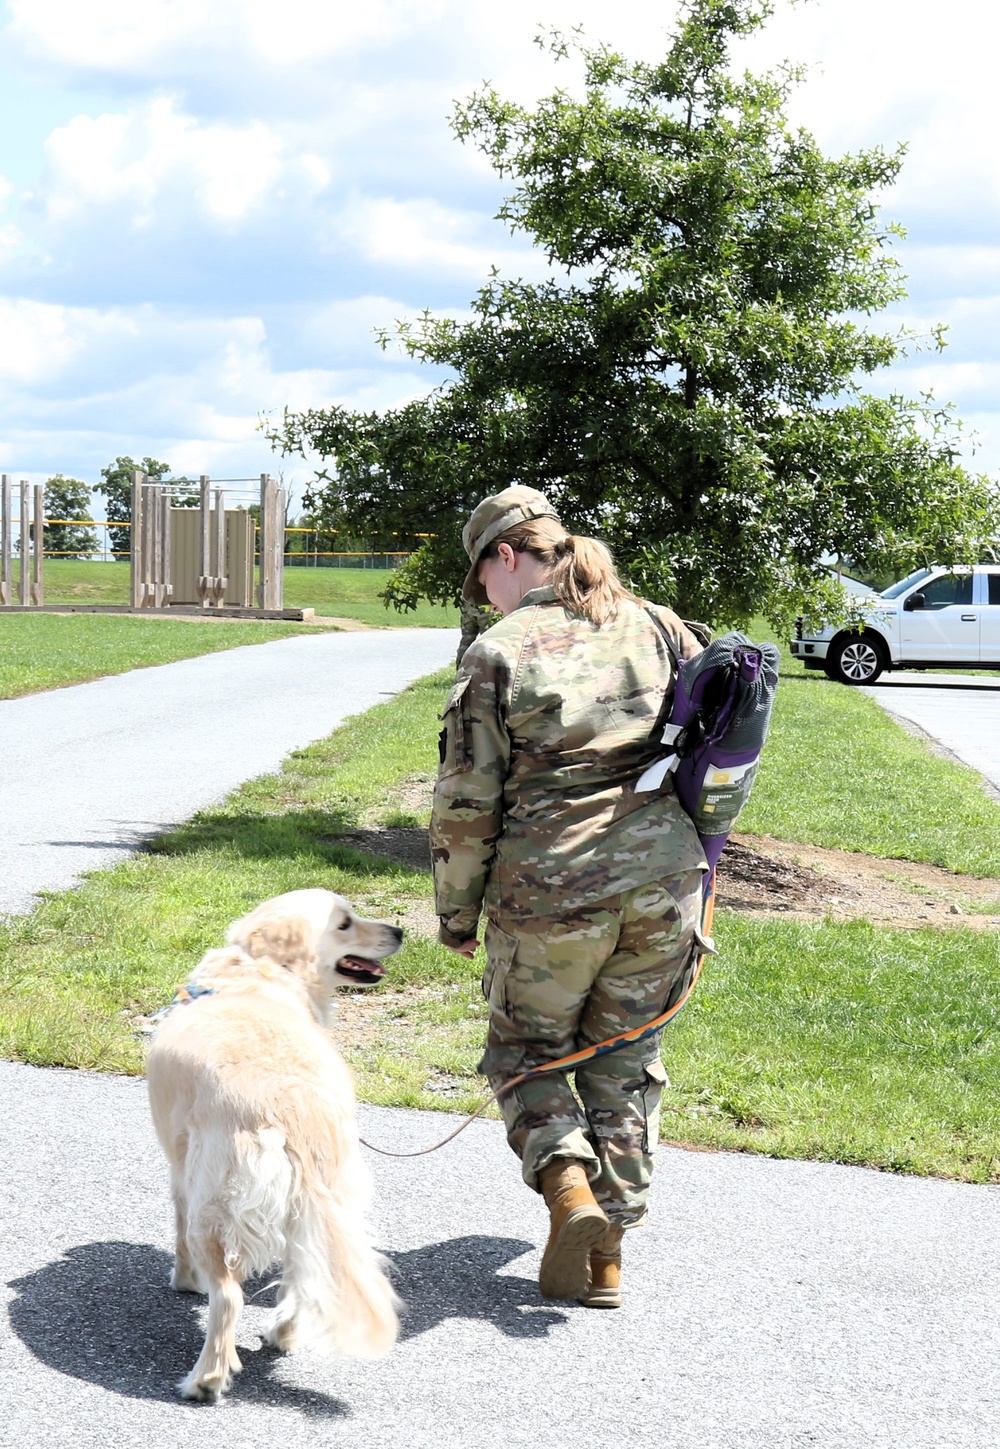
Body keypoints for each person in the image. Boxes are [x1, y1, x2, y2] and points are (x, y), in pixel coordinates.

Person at [430, 485, 708, 1308]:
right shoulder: (660, 624)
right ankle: (606, 1262)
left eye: (482, 579)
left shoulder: (499, 650)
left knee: (525, 1053)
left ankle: (570, 1192)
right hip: (666, 887)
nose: (484, 596)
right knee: (624, 1062)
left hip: (552, 895)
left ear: (507, 556)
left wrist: (454, 915)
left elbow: (464, 803)